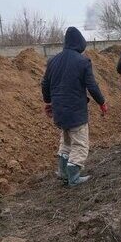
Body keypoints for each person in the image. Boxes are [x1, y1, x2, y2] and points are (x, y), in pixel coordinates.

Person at [42, 26, 108, 186]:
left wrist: (48, 101)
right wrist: (101, 102)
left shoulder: (53, 61)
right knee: (80, 143)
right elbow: (91, 86)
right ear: (80, 43)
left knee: (66, 141)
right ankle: (74, 177)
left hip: (59, 111)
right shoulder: (83, 62)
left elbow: (45, 83)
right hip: (76, 112)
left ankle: (63, 173)